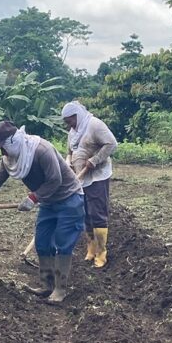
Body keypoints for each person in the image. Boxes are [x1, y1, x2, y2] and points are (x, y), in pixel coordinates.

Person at [0, 121, 85, 303]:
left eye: (3, 148)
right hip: (48, 203)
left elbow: (55, 180)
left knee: (63, 244)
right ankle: (46, 285)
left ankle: (60, 289)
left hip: (69, 199)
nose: (3, 153)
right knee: (42, 243)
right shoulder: (10, 159)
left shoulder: (41, 150)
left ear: (13, 142)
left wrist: (34, 198)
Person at [61, 100, 118, 268]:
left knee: (97, 214)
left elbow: (112, 144)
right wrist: (69, 163)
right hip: (80, 179)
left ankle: (101, 252)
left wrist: (95, 160)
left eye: (70, 120)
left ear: (77, 115)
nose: (68, 124)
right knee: (85, 213)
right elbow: (70, 151)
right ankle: (91, 248)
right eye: (66, 121)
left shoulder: (94, 125)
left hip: (97, 177)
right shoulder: (73, 131)